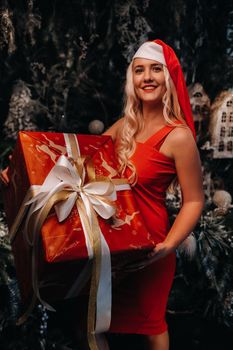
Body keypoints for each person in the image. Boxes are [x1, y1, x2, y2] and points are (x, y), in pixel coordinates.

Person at [103, 39, 204, 350]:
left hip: (152, 247)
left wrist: (168, 246)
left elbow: (194, 200)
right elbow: (82, 159)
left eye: (155, 69)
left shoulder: (179, 136)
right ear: (131, 80)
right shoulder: (124, 126)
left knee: (150, 329)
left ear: (169, 78)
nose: (147, 77)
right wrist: (26, 173)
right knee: (91, 324)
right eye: (139, 70)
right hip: (114, 246)